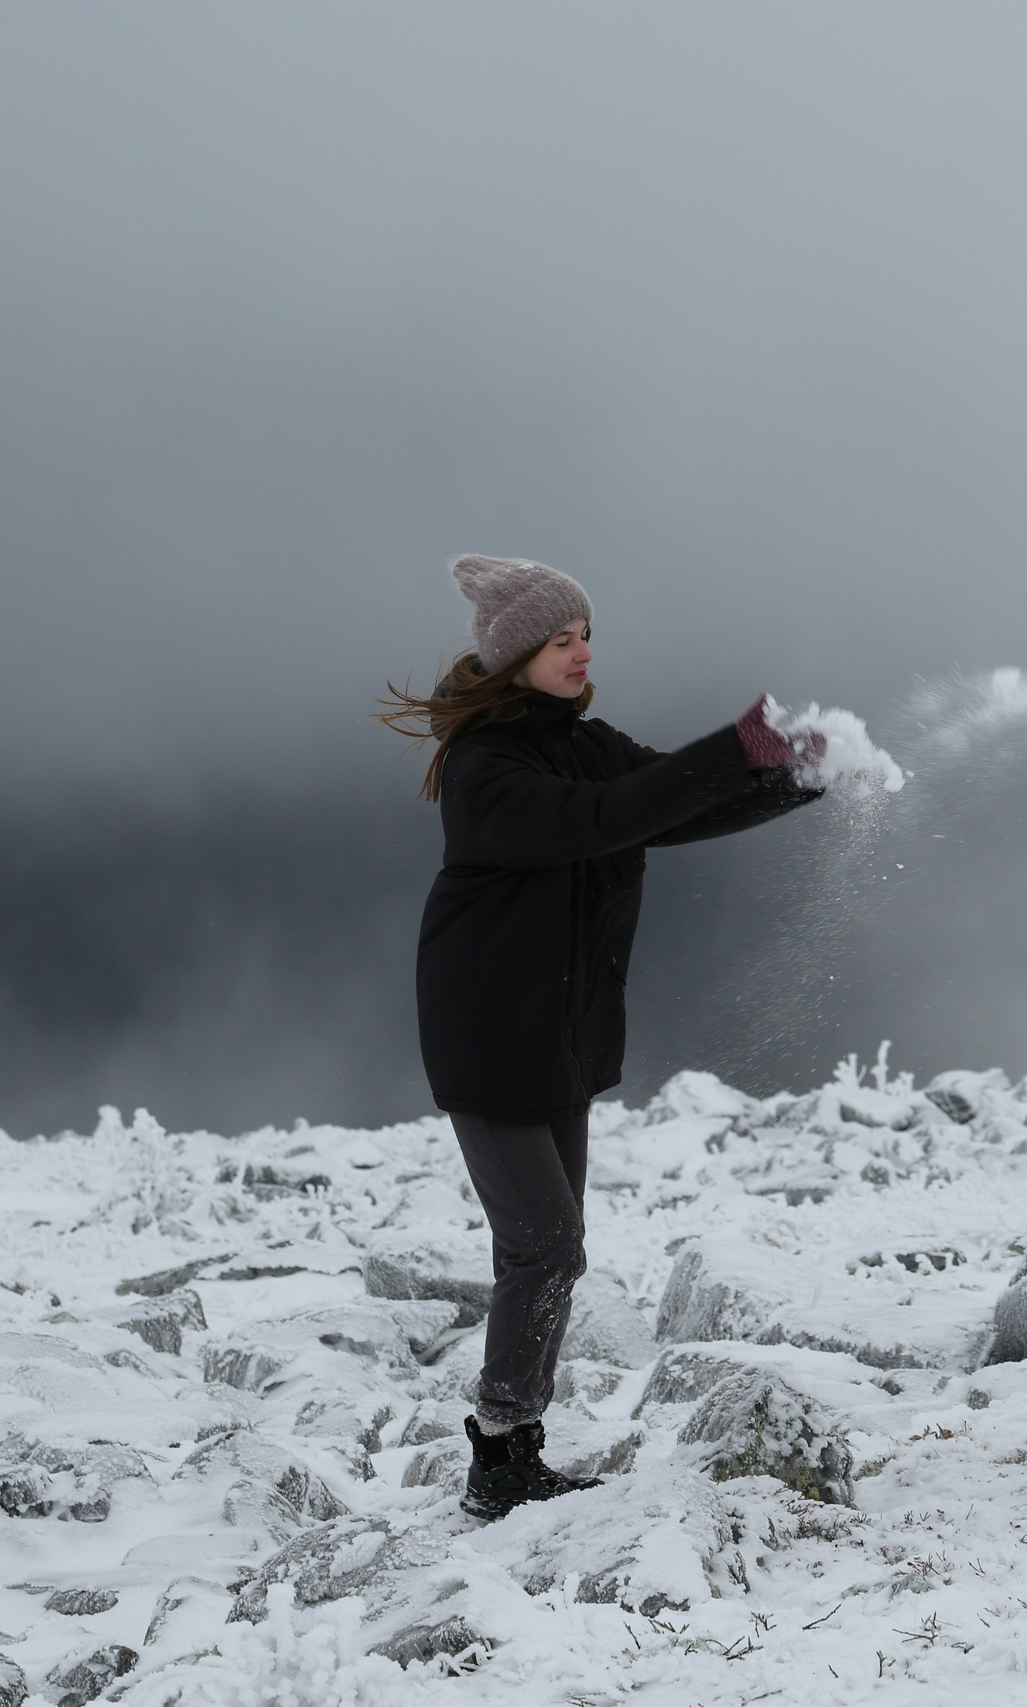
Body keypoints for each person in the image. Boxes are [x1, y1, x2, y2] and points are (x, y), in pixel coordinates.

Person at [378, 554, 825, 1521]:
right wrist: (733, 742)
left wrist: (795, 778)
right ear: (515, 656)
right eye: (560, 639)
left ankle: (514, 1450)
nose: (582, 653)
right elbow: (602, 819)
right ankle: (498, 1452)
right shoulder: (487, 769)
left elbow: (667, 804)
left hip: (558, 1038)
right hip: (488, 1036)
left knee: (547, 1251)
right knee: (546, 1247)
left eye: (585, 634)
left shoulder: (583, 742)